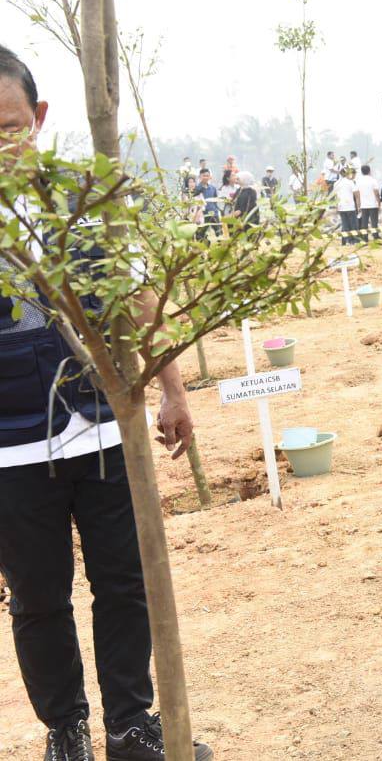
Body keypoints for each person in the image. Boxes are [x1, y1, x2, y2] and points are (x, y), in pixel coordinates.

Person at [0, 44, 214, 761]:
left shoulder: (88, 197)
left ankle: (132, 723)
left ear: (40, 117)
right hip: (10, 447)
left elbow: (139, 295)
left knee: (126, 580)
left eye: (10, 125)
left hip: (101, 428)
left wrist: (173, 389)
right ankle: (67, 730)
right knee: (37, 599)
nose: (2, 144)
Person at [356, 164, 381, 242]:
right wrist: (379, 203)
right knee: (374, 223)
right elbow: (376, 193)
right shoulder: (373, 180)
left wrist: (358, 205)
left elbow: (358, 195)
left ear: (361, 171)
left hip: (363, 205)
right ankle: (375, 238)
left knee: (364, 223)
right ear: (369, 171)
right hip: (373, 205)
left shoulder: (358, 181)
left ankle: (365, 239)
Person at [333, 167, 358, 245]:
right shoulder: (350, 182)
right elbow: (356, 194)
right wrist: (358, 205)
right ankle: (354, 240)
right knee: (353, 224)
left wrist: (336, 206)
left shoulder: (336, 183)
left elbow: (335, 196)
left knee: (345, 224)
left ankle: (346, 241)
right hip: (350, 206)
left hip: (341, 207)